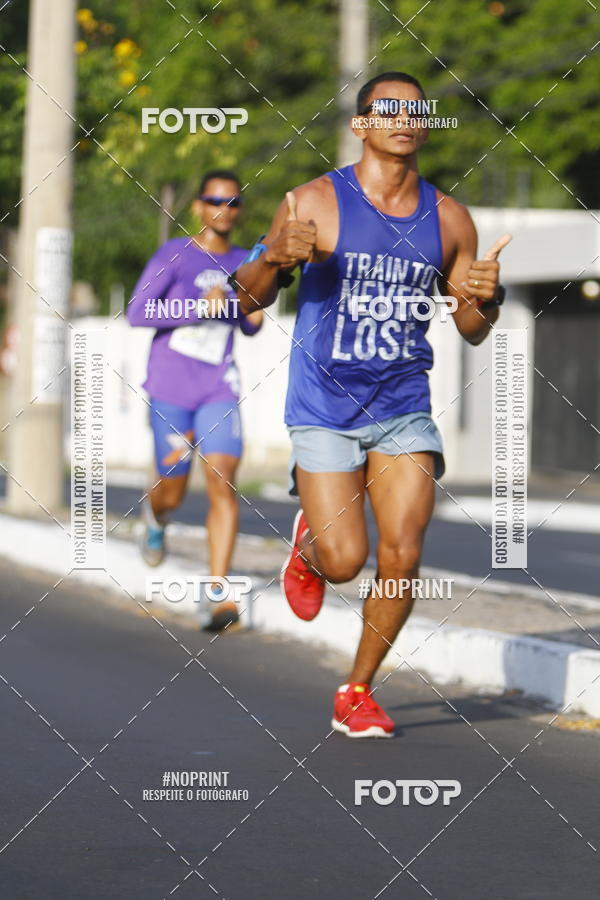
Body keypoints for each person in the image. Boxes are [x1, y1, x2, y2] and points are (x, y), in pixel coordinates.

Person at [232, 72, 511, 735]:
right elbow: (247, 300)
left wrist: (485, 298)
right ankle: (309, 550)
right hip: (324, 404)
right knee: (345, 560)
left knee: (404, 554)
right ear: (360, 124)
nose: (404, 118)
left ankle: (357, 689)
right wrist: (273, 259)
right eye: (388, 109)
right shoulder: (312, 202)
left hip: (403, 403)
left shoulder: (449, 219)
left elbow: (470, 326)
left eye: (416, 111)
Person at [127, 169, 263, 631]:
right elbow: (137, 311)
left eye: (233, 202)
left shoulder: (247, 260)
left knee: (223, 479)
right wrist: (193, 307)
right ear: (200, 207)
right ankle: (155, 514)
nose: (224, 210)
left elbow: (251, 324)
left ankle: (217, 596)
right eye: (214, 200)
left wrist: (252, 303)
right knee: (174, 485)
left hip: (218, 387)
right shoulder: (176, 254)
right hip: (170, 388)